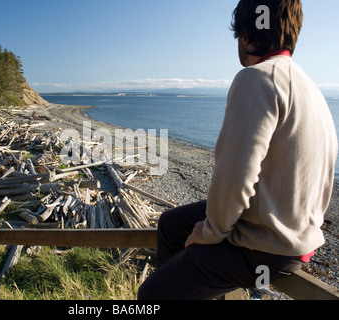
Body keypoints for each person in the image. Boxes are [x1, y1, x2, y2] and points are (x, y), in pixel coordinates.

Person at [138, 0, 338, 300]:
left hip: (266, 245)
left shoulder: (256, 78)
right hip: (299, 235)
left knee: (152, 295)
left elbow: (235, 175)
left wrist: (209, 233)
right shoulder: (311, 89)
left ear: (246, 34)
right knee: (169, 224)